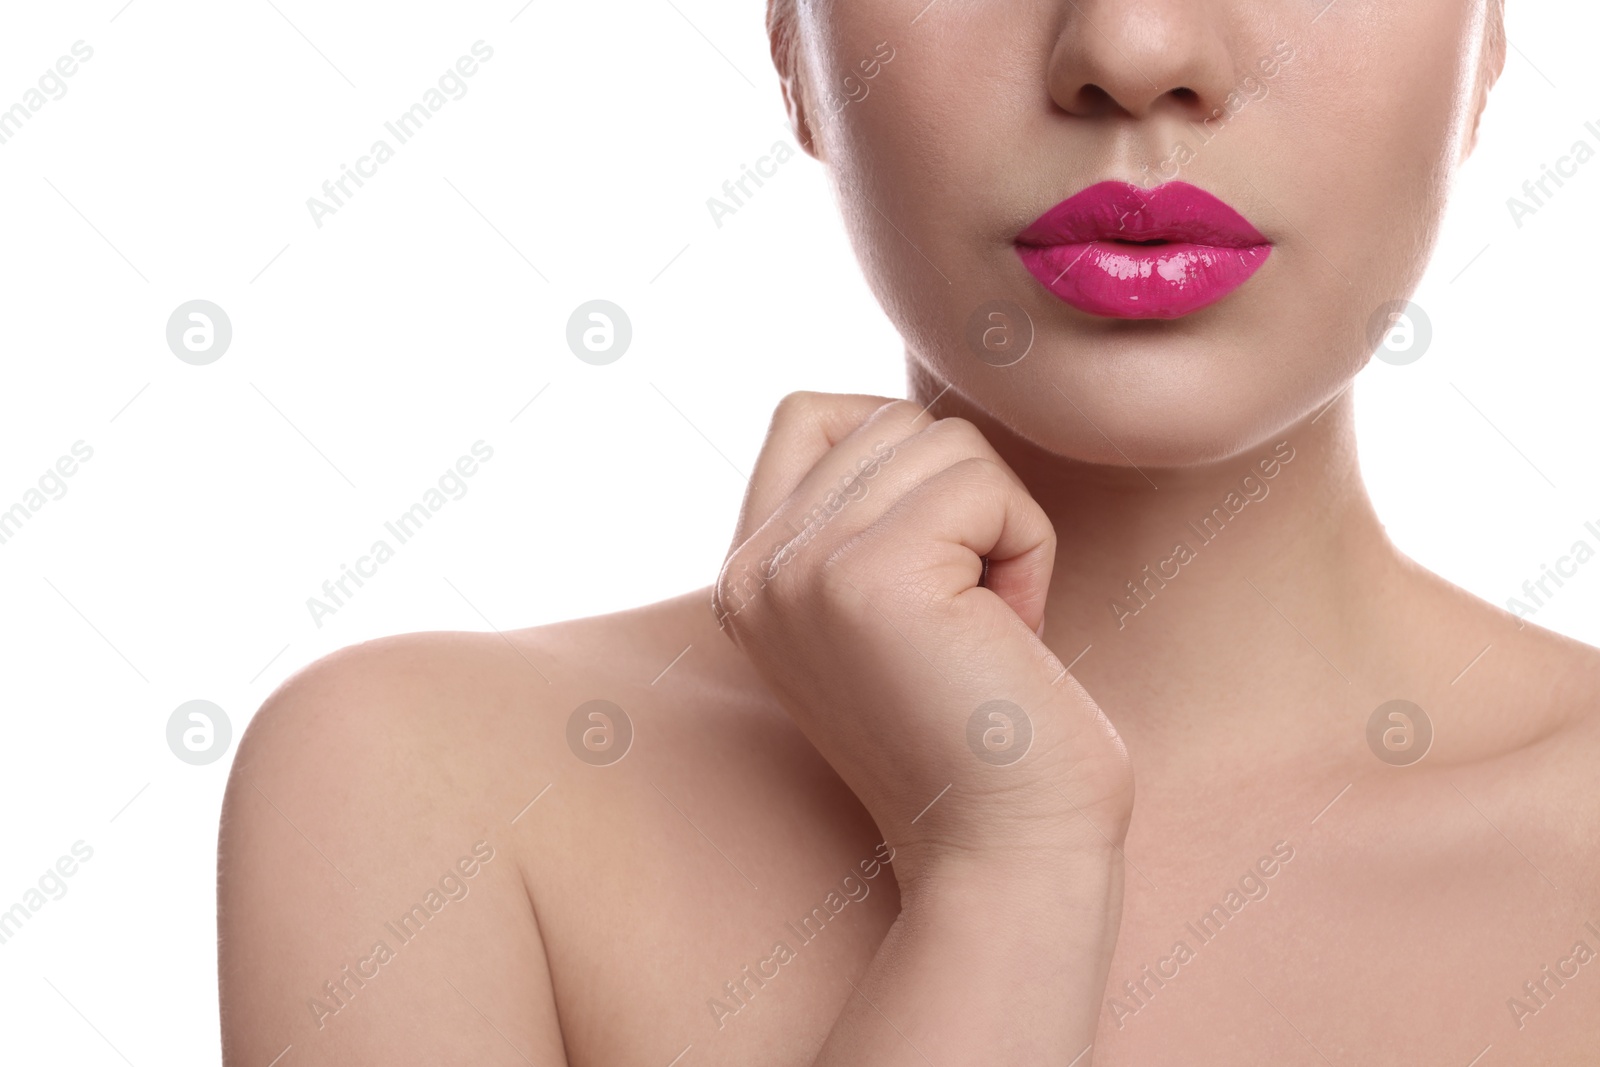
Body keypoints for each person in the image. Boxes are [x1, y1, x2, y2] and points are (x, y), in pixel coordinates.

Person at [218, 0, 1600, 1062]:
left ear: (1489, 43)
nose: (1130, 47)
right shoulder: (432, 798)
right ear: (791, 43)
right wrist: (1006, 879)